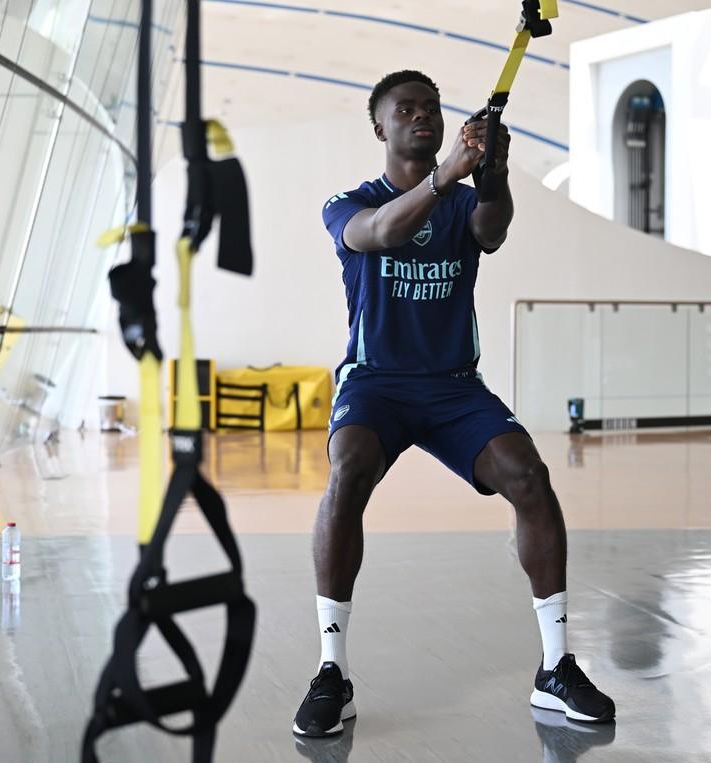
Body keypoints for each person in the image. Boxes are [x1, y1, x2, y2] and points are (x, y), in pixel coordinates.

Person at [293, 70, 615, 738]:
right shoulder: (347, 202)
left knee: (529, 476)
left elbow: (490, 231)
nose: (421, 117)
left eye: (432, 109)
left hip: (451, 386)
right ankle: (332, 671)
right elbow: (380, 231)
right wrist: (445, 175)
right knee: (348, 467)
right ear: (379, 126)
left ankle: (555, 666)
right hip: (375, 381)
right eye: (405, 109)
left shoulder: (462, 199)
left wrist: (491, 173)